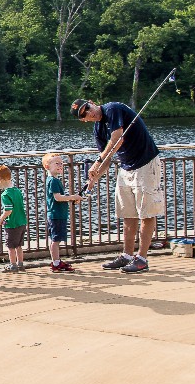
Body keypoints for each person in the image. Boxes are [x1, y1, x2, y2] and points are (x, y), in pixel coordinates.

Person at [71, 98, 165, 273]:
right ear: (83, 120)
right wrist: (93, 179)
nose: (89, 113)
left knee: (146, 212)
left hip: (146, 163)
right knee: (127, 212)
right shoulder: (98, 129)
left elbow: (118, 138)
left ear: (92, 102)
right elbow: (106, 159)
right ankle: (127, 255)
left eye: (88, 108)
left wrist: (98, 161)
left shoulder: (112, 109)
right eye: (84, 114)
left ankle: (142, 259)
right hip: (126, 167)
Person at [42, 153, 82, 272]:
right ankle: (56, 262)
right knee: (55, 240)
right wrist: (72, 197)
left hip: (57, 214)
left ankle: (57, 261)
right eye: (56, 163)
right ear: (47, 166)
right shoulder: (53, 181)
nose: (60, 165)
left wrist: (72, 198)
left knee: (56, 239)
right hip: (56, 215)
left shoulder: (53, 180)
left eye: (61, 163)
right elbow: (58, 198)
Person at [0, 165, 26, 272]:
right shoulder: (17, 191)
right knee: (19, 245)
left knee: (10, 246)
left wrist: (0, 219)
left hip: (12, 224)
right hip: (22, 222)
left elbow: (8, 210)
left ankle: (13, 265)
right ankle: (20, 264)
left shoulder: (5, 194)